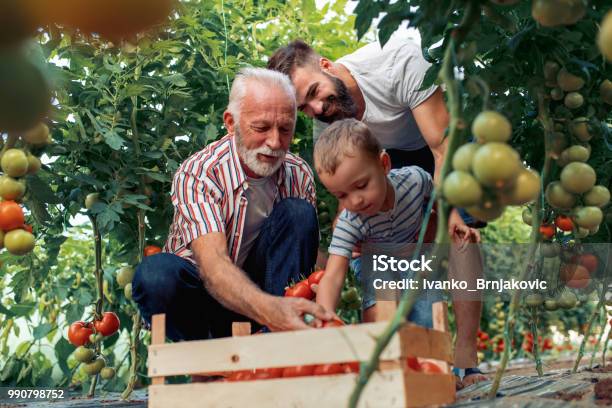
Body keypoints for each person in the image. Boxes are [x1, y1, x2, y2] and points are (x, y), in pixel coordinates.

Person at [268, 39, 486, 386]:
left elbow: (441, 151)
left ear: (325, 65)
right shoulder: (329, 117)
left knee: (459, 237)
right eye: (304, 108)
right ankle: (407, 360)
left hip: (442, 139)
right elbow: (347, 185)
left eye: (313, 92)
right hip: (385, 157)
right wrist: (345, 245)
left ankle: (467, 358)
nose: (316, 109)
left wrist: (451, 218)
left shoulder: (398, 63)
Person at [132, 68, 332, 341]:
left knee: (298, 213)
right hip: (205, 301)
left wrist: (340, 263)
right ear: (230, 123)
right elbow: (213, 267)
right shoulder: (200, 172)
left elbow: (300, 253)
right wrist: (272, 310)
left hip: (269, 297)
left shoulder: (298, 173)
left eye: (285, 129)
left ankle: (278, 345)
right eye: (261, 128)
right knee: (155, 275)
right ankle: (205, 359)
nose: (274, 142)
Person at [313, 118, 470, 324]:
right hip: (373, 260)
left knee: (424, 299)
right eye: (341, 195)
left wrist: (454, 221)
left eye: (361, 185)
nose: (355, 201)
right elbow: (333, 276)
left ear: (384, 164)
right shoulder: (349, 222)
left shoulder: (414, 180)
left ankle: (430, 352)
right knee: (383, 293)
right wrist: (324, 315)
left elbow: (438, 199)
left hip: (411, 253)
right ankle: (380, 350)